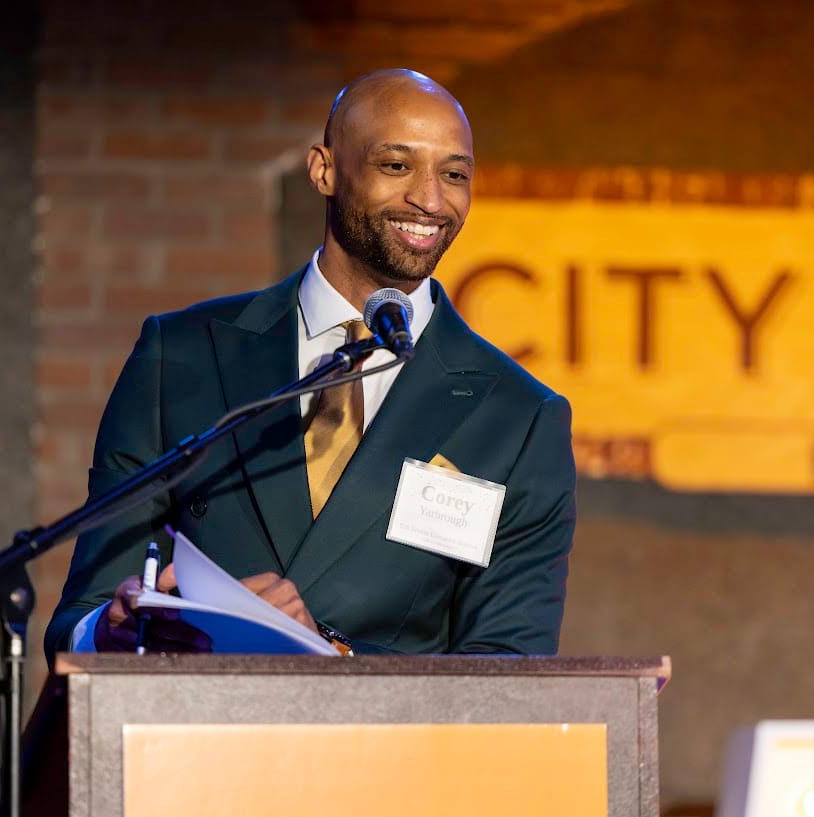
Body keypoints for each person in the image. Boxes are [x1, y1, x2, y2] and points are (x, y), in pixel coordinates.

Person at [43, 68, 575, 662]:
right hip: (192, 744)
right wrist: (112, 629)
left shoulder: (519, 417)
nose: (430, 199)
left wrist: (329, 659)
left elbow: (508, 670)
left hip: (384, 754)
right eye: (396, 166)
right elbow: (80, 617)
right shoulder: (181, 356)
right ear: (324, 169)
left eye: (453, 174)